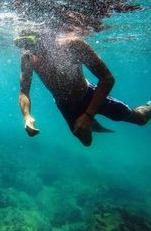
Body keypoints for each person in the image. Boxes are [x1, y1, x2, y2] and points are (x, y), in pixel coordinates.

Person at [15, 21, 151, 146]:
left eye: (30, 43)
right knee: (86, 141)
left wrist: (88, 115)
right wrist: (27, 116)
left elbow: (107, 78)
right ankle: (90, 122)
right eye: (22, 45)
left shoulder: (73, 45)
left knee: (140, 119)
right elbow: (23, 92)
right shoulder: (27, 57)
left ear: (45, 36)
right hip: (65, 105)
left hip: (90, 95)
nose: (28, 49)